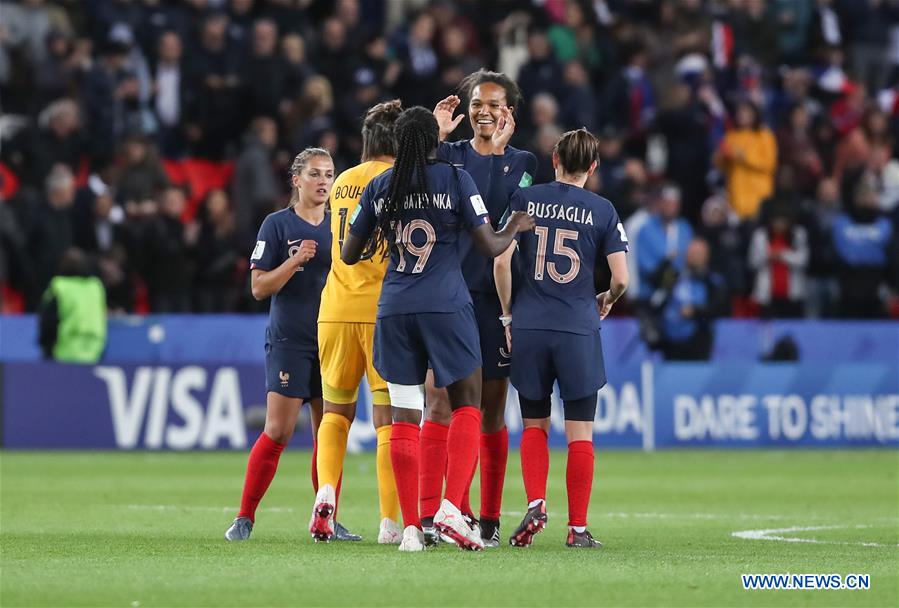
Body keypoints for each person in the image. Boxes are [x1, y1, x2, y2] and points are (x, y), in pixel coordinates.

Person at [340, 107, 535, 551]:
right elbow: (489, 245)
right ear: (436, 141)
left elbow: (350, 253)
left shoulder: (380, 187)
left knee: (406, 415)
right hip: (446, 306)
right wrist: (514, 226)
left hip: (394, 308)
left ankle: (412, 527)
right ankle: (450, 506)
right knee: (468, 402)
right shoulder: (455, 179)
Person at [494, 128, 628, 549]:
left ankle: (536, 500)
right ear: (593, 166)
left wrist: (507, 316)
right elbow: (622, 278)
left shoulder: (526, 200)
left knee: (534, 423)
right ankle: (578, 529)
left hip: (531, 324)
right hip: (577, 326)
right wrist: (606, 297)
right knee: (580, 431)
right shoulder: (602, 209)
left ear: (554, 160)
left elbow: (500, 259)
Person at [424, 69, 537, 547]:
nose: (484, 110)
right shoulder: (445, 154)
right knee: (439, 400)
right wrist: (435, 136)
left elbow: (508, 221)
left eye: (494, 103)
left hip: (495, 300)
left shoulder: (524, 162)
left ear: (509, 110)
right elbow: (421, 193)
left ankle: (486, 518)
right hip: (447, 295)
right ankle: (439, 514)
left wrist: (492, 157)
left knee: (490, 411)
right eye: (477, 102)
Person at [225, 148, 353, 542]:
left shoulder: (340, 226)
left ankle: (326, 516)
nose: (323, 181)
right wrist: (294, 261)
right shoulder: (277, 225)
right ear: (296, 180)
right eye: (314, 174)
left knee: (328, 433)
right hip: (290, 341)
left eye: (329, 174)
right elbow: (259, 287)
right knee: (278, 430)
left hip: (333, 339)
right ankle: (244, 517)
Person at [310, 100, 403, 545]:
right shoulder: (397, 182)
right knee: (388, 420)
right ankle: (390, 521)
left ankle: (326, 491)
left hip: (334, 310)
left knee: (335, 413)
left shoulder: (343, 180)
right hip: (379, 313)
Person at [38, 248, 107, 364]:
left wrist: (46, 348)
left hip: (65, 351)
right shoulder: (96, 286)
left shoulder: (59, 286)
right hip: (95, 351)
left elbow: (48, 320)